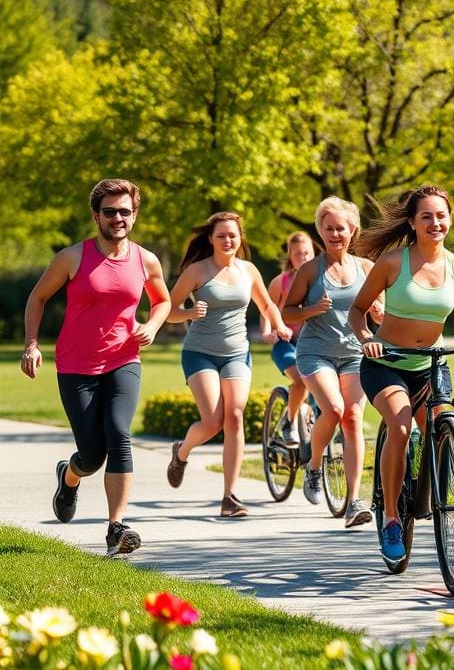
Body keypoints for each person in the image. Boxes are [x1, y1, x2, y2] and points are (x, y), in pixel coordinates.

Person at [348, 184, 454, 564]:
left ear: (450, 219)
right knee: (401, 428)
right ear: (412, 222)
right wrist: (367, 337)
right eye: (427, 216)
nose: (435, 222)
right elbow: (357, 310)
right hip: (386, 364)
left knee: (442, 425)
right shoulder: (391, 264)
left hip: (429, 364)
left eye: (441, 215)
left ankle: (434, 485)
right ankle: (391, 517)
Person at [21, 179, 171, 556]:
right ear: (96, 216)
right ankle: (69, 476)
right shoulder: (72, 258)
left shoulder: (145, 259)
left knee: (119, 435)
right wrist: (32, 344)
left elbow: (163, 301)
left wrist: (151, 326)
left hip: (123, 359)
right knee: (91, 455)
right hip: (76, 366)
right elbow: (37, 298)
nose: (117, 218)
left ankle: (115, 529)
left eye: (125, 211)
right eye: (110, 212)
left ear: (134, 215)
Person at [165, 211, 291, 518]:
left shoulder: (248, 271)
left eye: (233, 235)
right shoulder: (197, 270)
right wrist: (189, 314)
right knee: (212, 422)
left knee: (234, 415)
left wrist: (279, 324)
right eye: (221, 235)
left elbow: (266, 304)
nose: (227, 240)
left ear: (240, 238)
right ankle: (181, 452)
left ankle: (230, 496)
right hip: (200, 353)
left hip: (237, 353)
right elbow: (169, 309)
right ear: (211, 239)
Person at [282, 198, 381, 528]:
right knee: (335, 409)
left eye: (341, 227)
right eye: (328, 228)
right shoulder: (310, 270)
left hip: (354, 352)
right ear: (319, 231)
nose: (335, 233)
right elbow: (288, 311)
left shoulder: (366, 268)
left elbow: (378, 306)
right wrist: (310, 310)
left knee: (353, 418)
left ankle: (353, 501)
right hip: (315, 353)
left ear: (353, 230)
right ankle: (312, 465)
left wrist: (379, 313)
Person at [261, 231, 318, 446]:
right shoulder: (281, 282)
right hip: (286, 341)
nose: (303, 258)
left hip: (313, 341)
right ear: (290, 256)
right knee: (301, 379)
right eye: (297, 254)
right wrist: (269, 331)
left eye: (307, 253)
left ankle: (311, 419)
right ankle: (289, 422)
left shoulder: (320, 276)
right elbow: (267, 308)